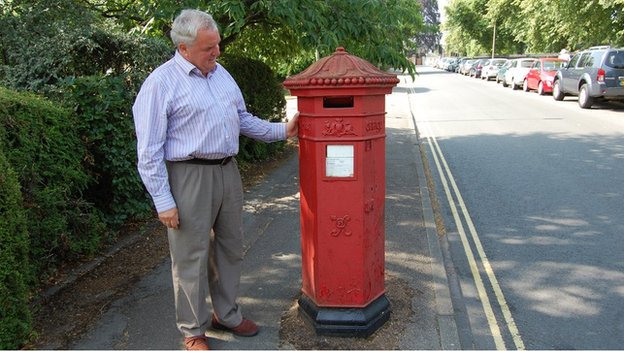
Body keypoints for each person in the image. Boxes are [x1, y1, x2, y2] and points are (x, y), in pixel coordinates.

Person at [132, 9, 298, 351]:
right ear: (183, 48)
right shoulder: (160, 84)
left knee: (230, 247)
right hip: (188, 175)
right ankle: (193, 330)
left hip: (227, 171)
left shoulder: (222, 75)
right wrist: (163, 200)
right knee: (190, 256)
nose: (217, 53)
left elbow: (242, 120)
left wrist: (283, 130)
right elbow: (149, 150)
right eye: (209, 48)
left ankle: (227, 313)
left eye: (218, 44)